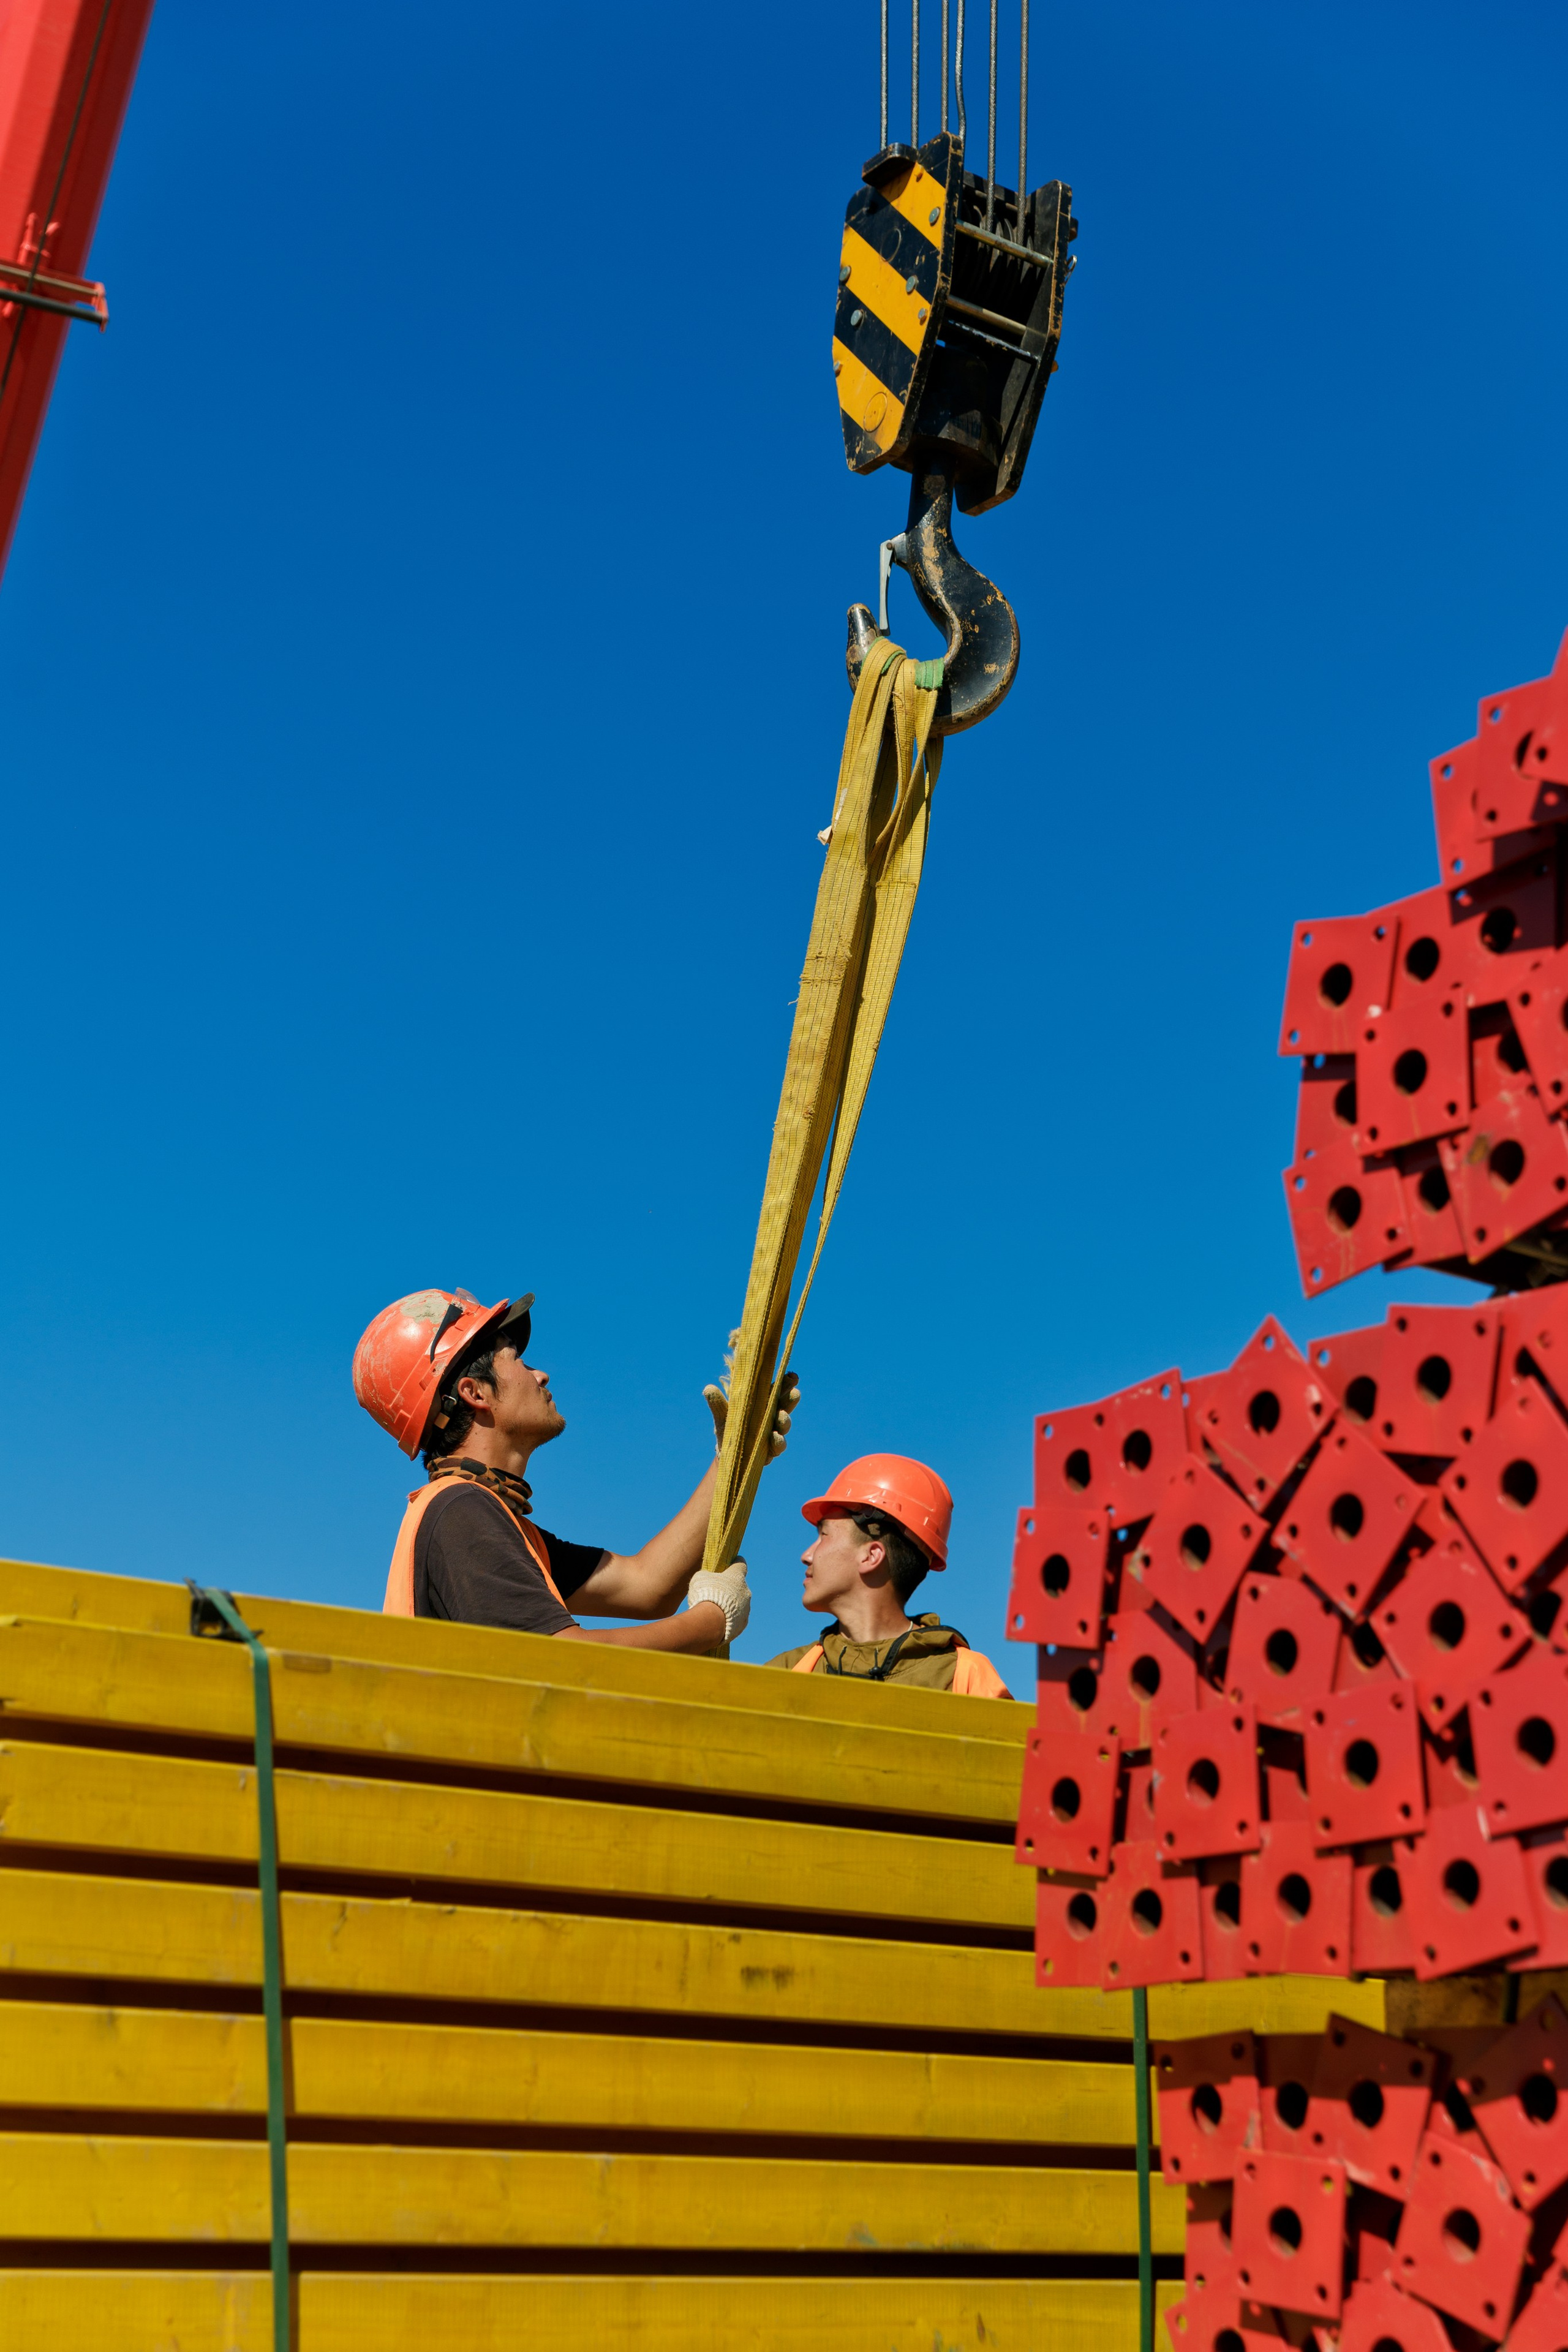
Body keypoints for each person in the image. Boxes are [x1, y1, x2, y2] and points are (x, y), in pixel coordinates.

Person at [352, 1287, 793, 1653]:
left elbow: (647, 1587)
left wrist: (731, 1458)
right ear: (474, 1392)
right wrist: (712, 1622)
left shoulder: (493, 1521)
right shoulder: (461, 1512)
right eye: (519, 1362)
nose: (541, 1375)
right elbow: (564, 1657)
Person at [766, 1455, 1011, 1695]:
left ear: (871, 1556)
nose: (807, 1555)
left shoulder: (965, 1676)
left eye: (824, 1535)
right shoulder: (784, 1674)